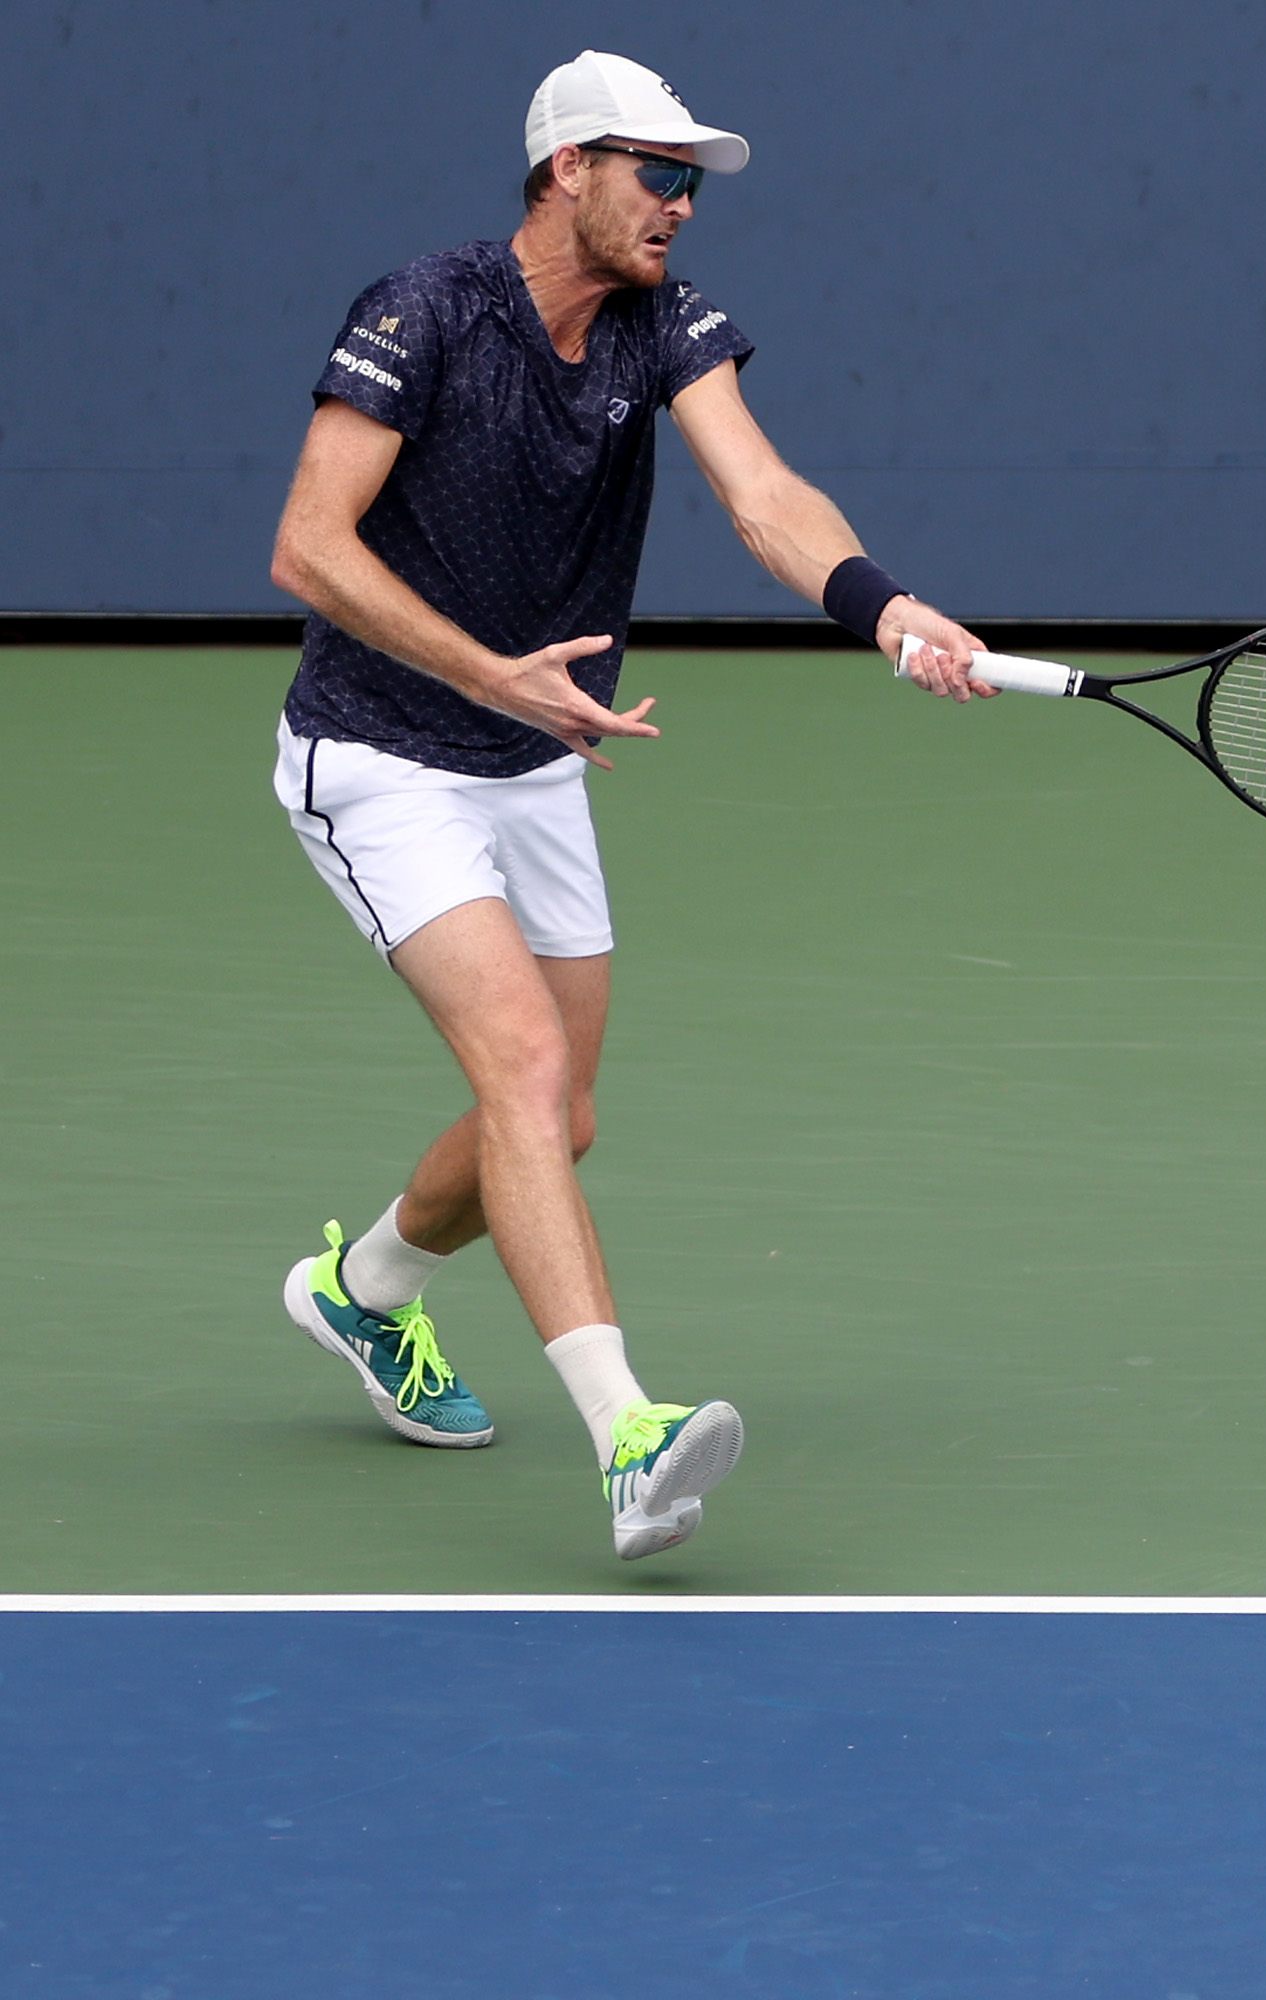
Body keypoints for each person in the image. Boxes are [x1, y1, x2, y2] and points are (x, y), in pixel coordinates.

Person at [267, 51, 994, 1556]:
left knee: (558, 1116)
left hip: (537, 760)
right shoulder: (425, 311)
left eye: (689, 182)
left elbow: (764, 496)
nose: (678, 205)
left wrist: (888, 610)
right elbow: (309, 549)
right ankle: (627, 1437)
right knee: (522, 1064)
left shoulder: (664, 324)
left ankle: (367, 1292)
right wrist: (491, 675)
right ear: (566, 170)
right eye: (655, 174)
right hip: (381, 753)